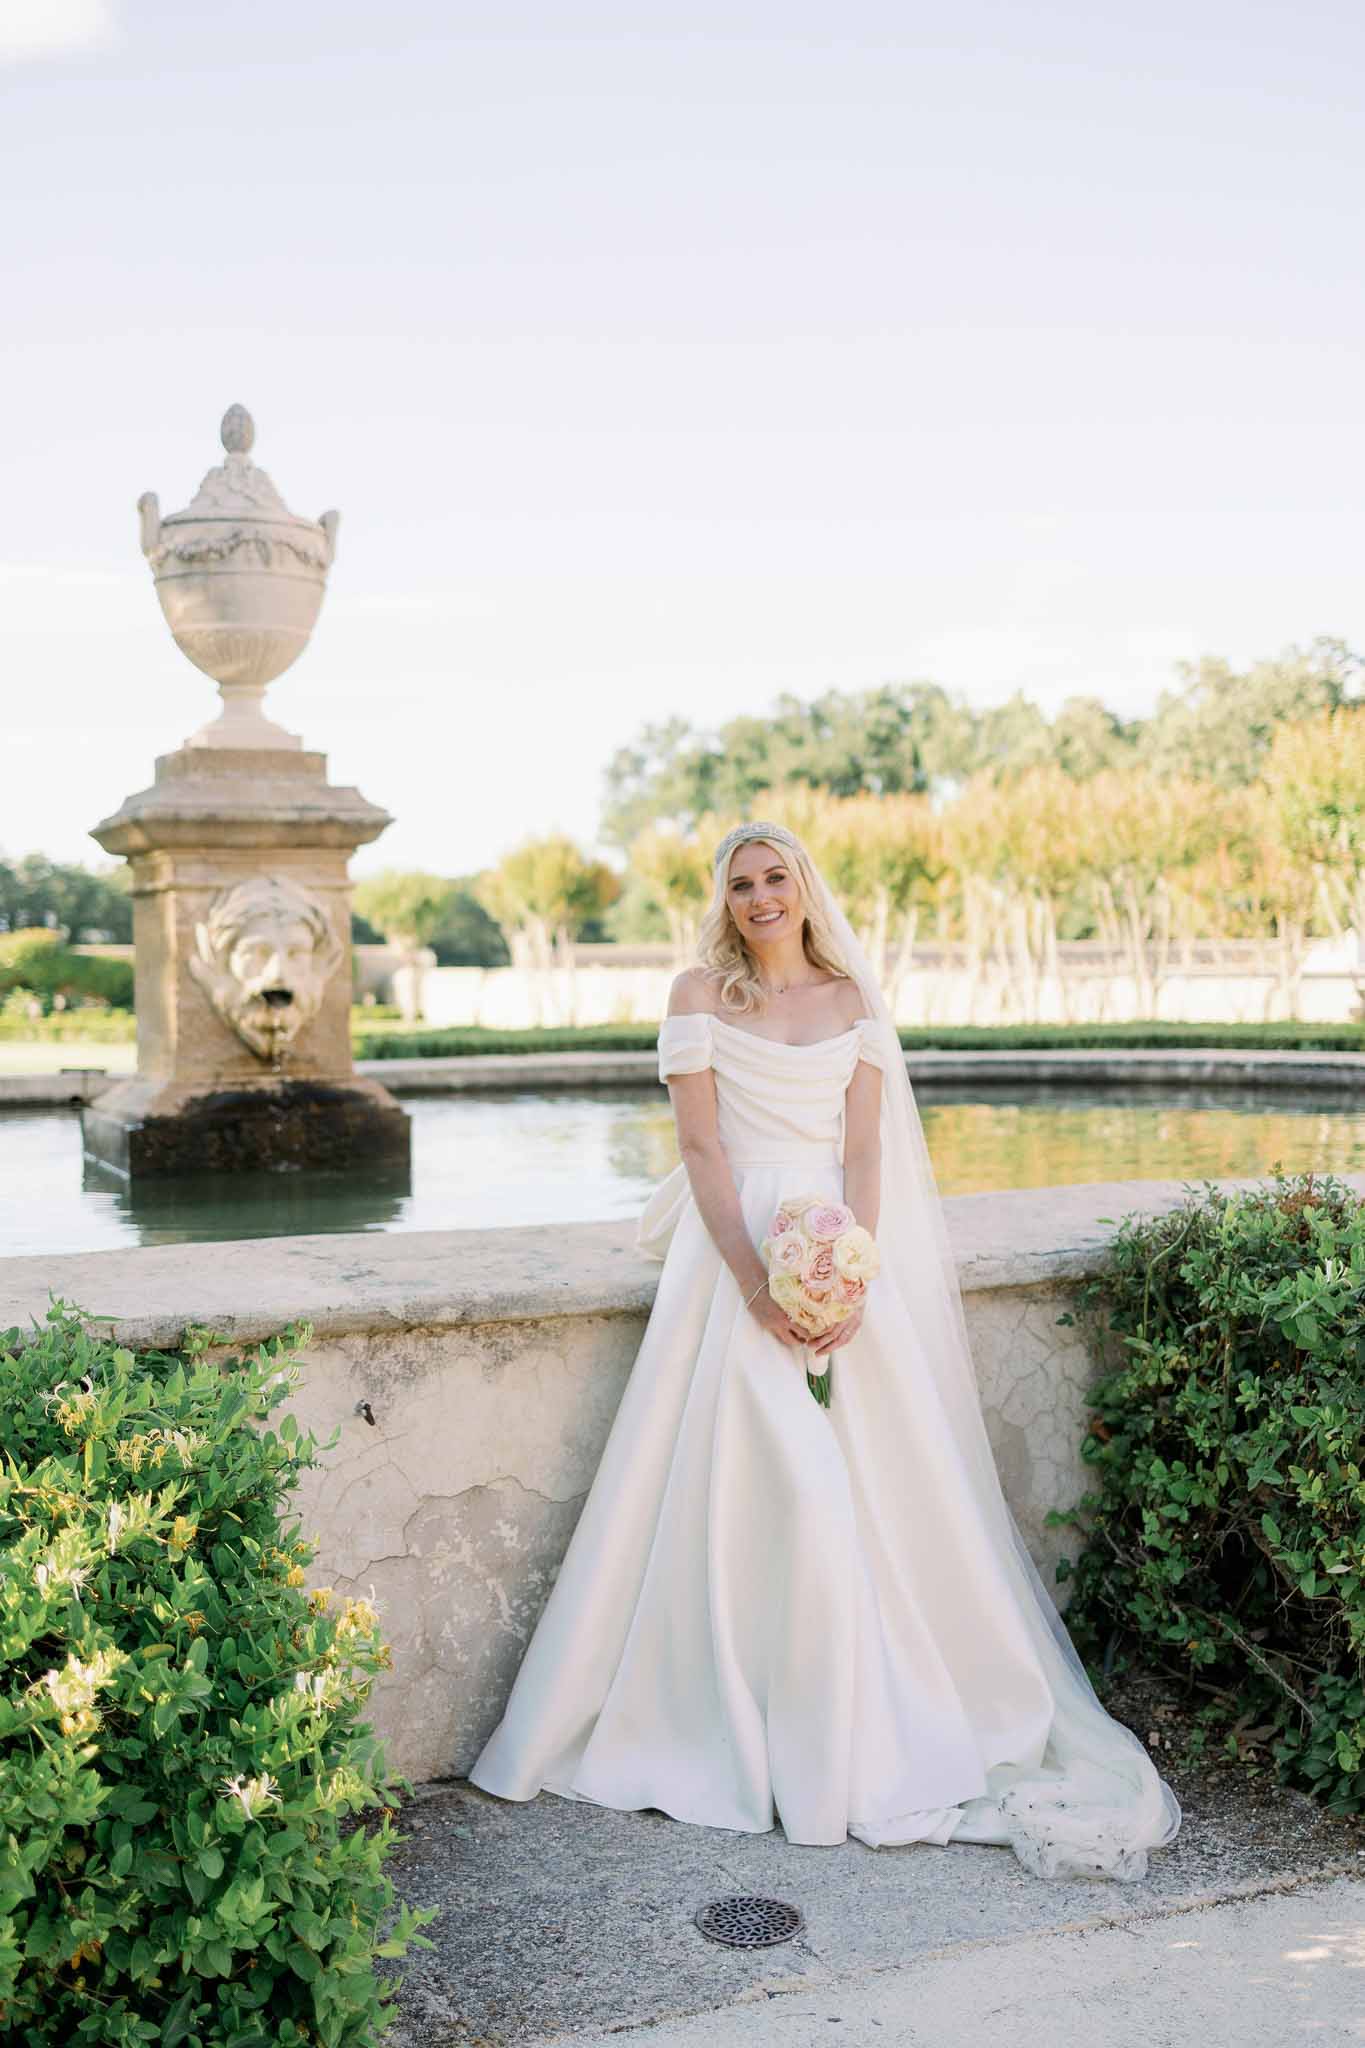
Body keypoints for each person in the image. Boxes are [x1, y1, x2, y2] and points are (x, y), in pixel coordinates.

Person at [470, 821, 1181, 1880]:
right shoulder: (700, 998)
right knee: (771, 1487)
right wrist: (759, 1282)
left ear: (804, 890)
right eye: (743, 882)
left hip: (840, 1264)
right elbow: (703, 1148)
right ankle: (753, 1736)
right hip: (732, 1269)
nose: (761, 897)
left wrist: (850, 1277)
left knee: (873, 1493)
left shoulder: (853, 1004)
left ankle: (856, 1731)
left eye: (777, 879)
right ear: (724, 899)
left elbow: (862, 1151)